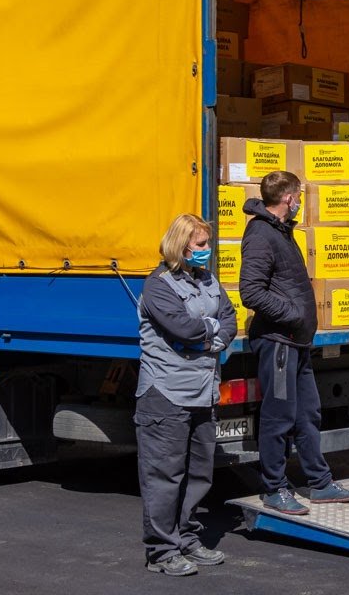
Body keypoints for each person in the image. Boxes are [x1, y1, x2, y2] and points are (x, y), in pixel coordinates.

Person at [239, 170, 349, 514]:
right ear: (289, 199)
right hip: (279, 341)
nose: (299, 203)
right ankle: (274, 488)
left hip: (296, 342)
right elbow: (251, 291)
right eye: (298, 197)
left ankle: (320, 483)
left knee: (308, 414)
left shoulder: (281, 231)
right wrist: (293, 314)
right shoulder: (262, 234)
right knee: (279, 418)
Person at [135, 213, 238, 576]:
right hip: (166, 393)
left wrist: (211, 333)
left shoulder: (208, 280)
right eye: (200, 245)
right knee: (164, 475)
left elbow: (229, 318)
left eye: (207, 244)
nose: (206, 252)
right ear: (181, 245)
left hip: (204, 392)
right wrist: (208, 332)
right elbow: (182, 328)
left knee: (199, 474)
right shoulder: (159, 286)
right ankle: (161, 552)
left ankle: (187, 540)